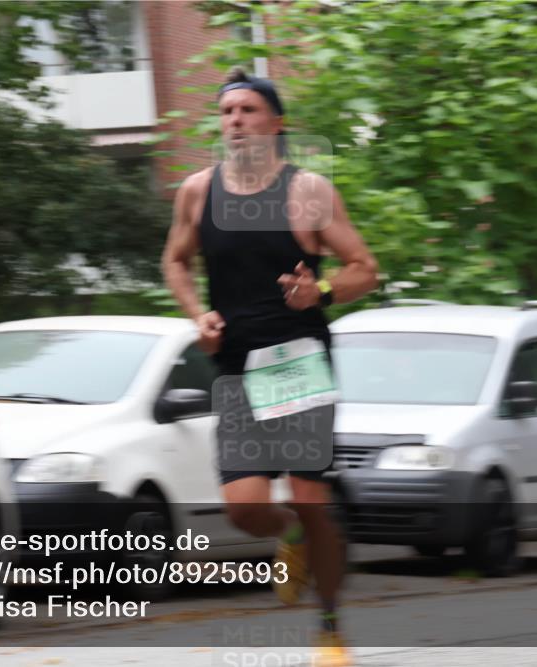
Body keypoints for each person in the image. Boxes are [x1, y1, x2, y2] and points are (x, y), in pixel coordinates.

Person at [162, 67, 378, 665]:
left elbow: (365, 267)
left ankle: (331, 631)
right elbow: (176, 261)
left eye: (249, 110)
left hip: (299, 357)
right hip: (235, 362)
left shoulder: (308, 190)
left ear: (276, 125)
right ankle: (288, 538)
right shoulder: (197, 192)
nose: (236, 121)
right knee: (244, 505)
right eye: (228, 111)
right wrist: (196, 314)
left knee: (312, 500)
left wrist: (323, 291)